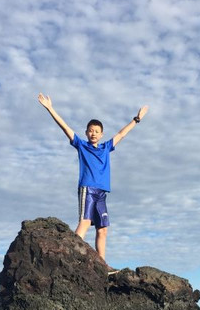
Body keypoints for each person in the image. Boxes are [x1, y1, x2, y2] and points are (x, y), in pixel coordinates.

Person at [38, 93, 148, 267]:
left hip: (101, 193)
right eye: (90, 131)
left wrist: (137, 119)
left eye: (96, 131)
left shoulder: (106, 147)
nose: (93, 133)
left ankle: (102, 265)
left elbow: (121, 134)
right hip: (87, 189)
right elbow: (65, 127)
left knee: (103, 229)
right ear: (86, 133)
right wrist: (50, 108)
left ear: (101, 134)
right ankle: (71, 257)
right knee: (85, 221)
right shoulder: (82, 145)